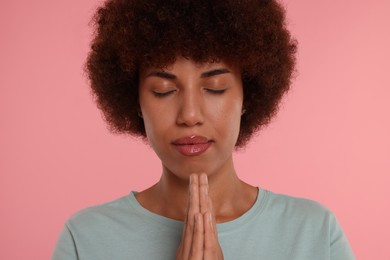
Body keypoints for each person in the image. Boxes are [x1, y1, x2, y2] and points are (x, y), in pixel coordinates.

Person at [52, 0, 355, 259]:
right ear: (136, 103)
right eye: (163, 90)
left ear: (247, 94)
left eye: (215, 87)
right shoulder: (86, 239)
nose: (190, 115)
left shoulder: (314, 233)